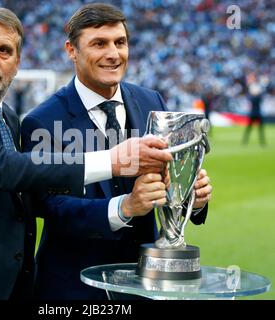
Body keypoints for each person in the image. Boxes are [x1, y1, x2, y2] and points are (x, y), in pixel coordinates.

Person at [0, 7, 172, 300]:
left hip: (3, 283)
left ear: (17, 63)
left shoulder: (8, 120)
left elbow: (29, 195)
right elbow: (3, 167)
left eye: (4, 50)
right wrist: (113, 162)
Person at [21, 3, 212, 300]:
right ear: (72, 50)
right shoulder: (43, 121)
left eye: (120, 42)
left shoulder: (151, 100)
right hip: (74, 289)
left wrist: (192, 198)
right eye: (99, 43)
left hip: (145, 284)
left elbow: (169, 177)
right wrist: (125, 207)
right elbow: (52, 206)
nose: (113, 54)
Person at [242, 81, 266, 146]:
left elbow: (248, 96)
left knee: (249, 129)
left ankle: (245, 141)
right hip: (258, 114)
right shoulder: (258, 97)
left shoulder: (252, 97)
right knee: (260, 129)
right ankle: (262, 142)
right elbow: (262, 96)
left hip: (253, 114)